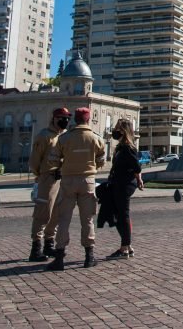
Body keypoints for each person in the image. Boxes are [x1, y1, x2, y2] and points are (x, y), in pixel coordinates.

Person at [45, 107, 106, 271]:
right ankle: (89, 256)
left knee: (63, 219)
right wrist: (92, 166)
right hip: (88, 181)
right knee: (87, 220)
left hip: (68, 180)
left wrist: (64, 166)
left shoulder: (64, 139)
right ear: (87, 120)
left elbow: (52, 159)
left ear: (75, 120)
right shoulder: (95, 138)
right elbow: (102, 159)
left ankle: (59, 257)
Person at [27, 106, 71, 262]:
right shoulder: (44, 136)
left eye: (67, 118)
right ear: (54, 118)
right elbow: (34, 161)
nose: (65, 121)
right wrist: (41, 175)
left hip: (61, 179)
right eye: (61, 118)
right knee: (42, 213)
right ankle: (36, 248)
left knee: (56, 214)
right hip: (48, 177)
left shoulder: (66, 136)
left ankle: (49, 244)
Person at [104, 117, 144, 259]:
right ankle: (128, 246)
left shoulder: (127, 147)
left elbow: (137, 166)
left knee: (122, 215)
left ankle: (124, 248)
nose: (115, 131)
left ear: (124, 131)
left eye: (117, 128)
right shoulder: (121, 147)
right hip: (118, 183)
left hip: (124, 184)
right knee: (119, 215)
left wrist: (137, 178)